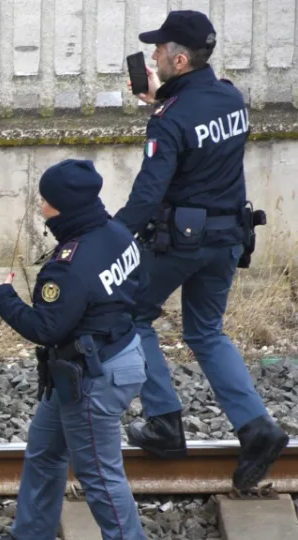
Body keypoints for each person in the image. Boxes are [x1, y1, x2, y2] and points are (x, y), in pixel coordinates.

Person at [114, 9, 288, 492]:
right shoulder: (231, 97)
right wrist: (161, 101)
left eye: (159, 51)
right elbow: (203, 137)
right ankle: (257, 428)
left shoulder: (170, 121)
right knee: (207, 331)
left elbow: (149, 195)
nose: (152, 57)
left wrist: (109, 239)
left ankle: (165, 423)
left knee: (130, 315)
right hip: (229, 238)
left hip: (180, 242)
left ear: (180, 58)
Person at [0, 159, 147, 540]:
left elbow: (44, 326)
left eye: (44, 199)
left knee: (100, 477)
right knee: (45, 454)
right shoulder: (118, 233)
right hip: (110, 357)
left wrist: (2, 296)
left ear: (61, 206)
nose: (40, 205)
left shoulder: (68, 266)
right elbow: (141, 284)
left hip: (93, 378)